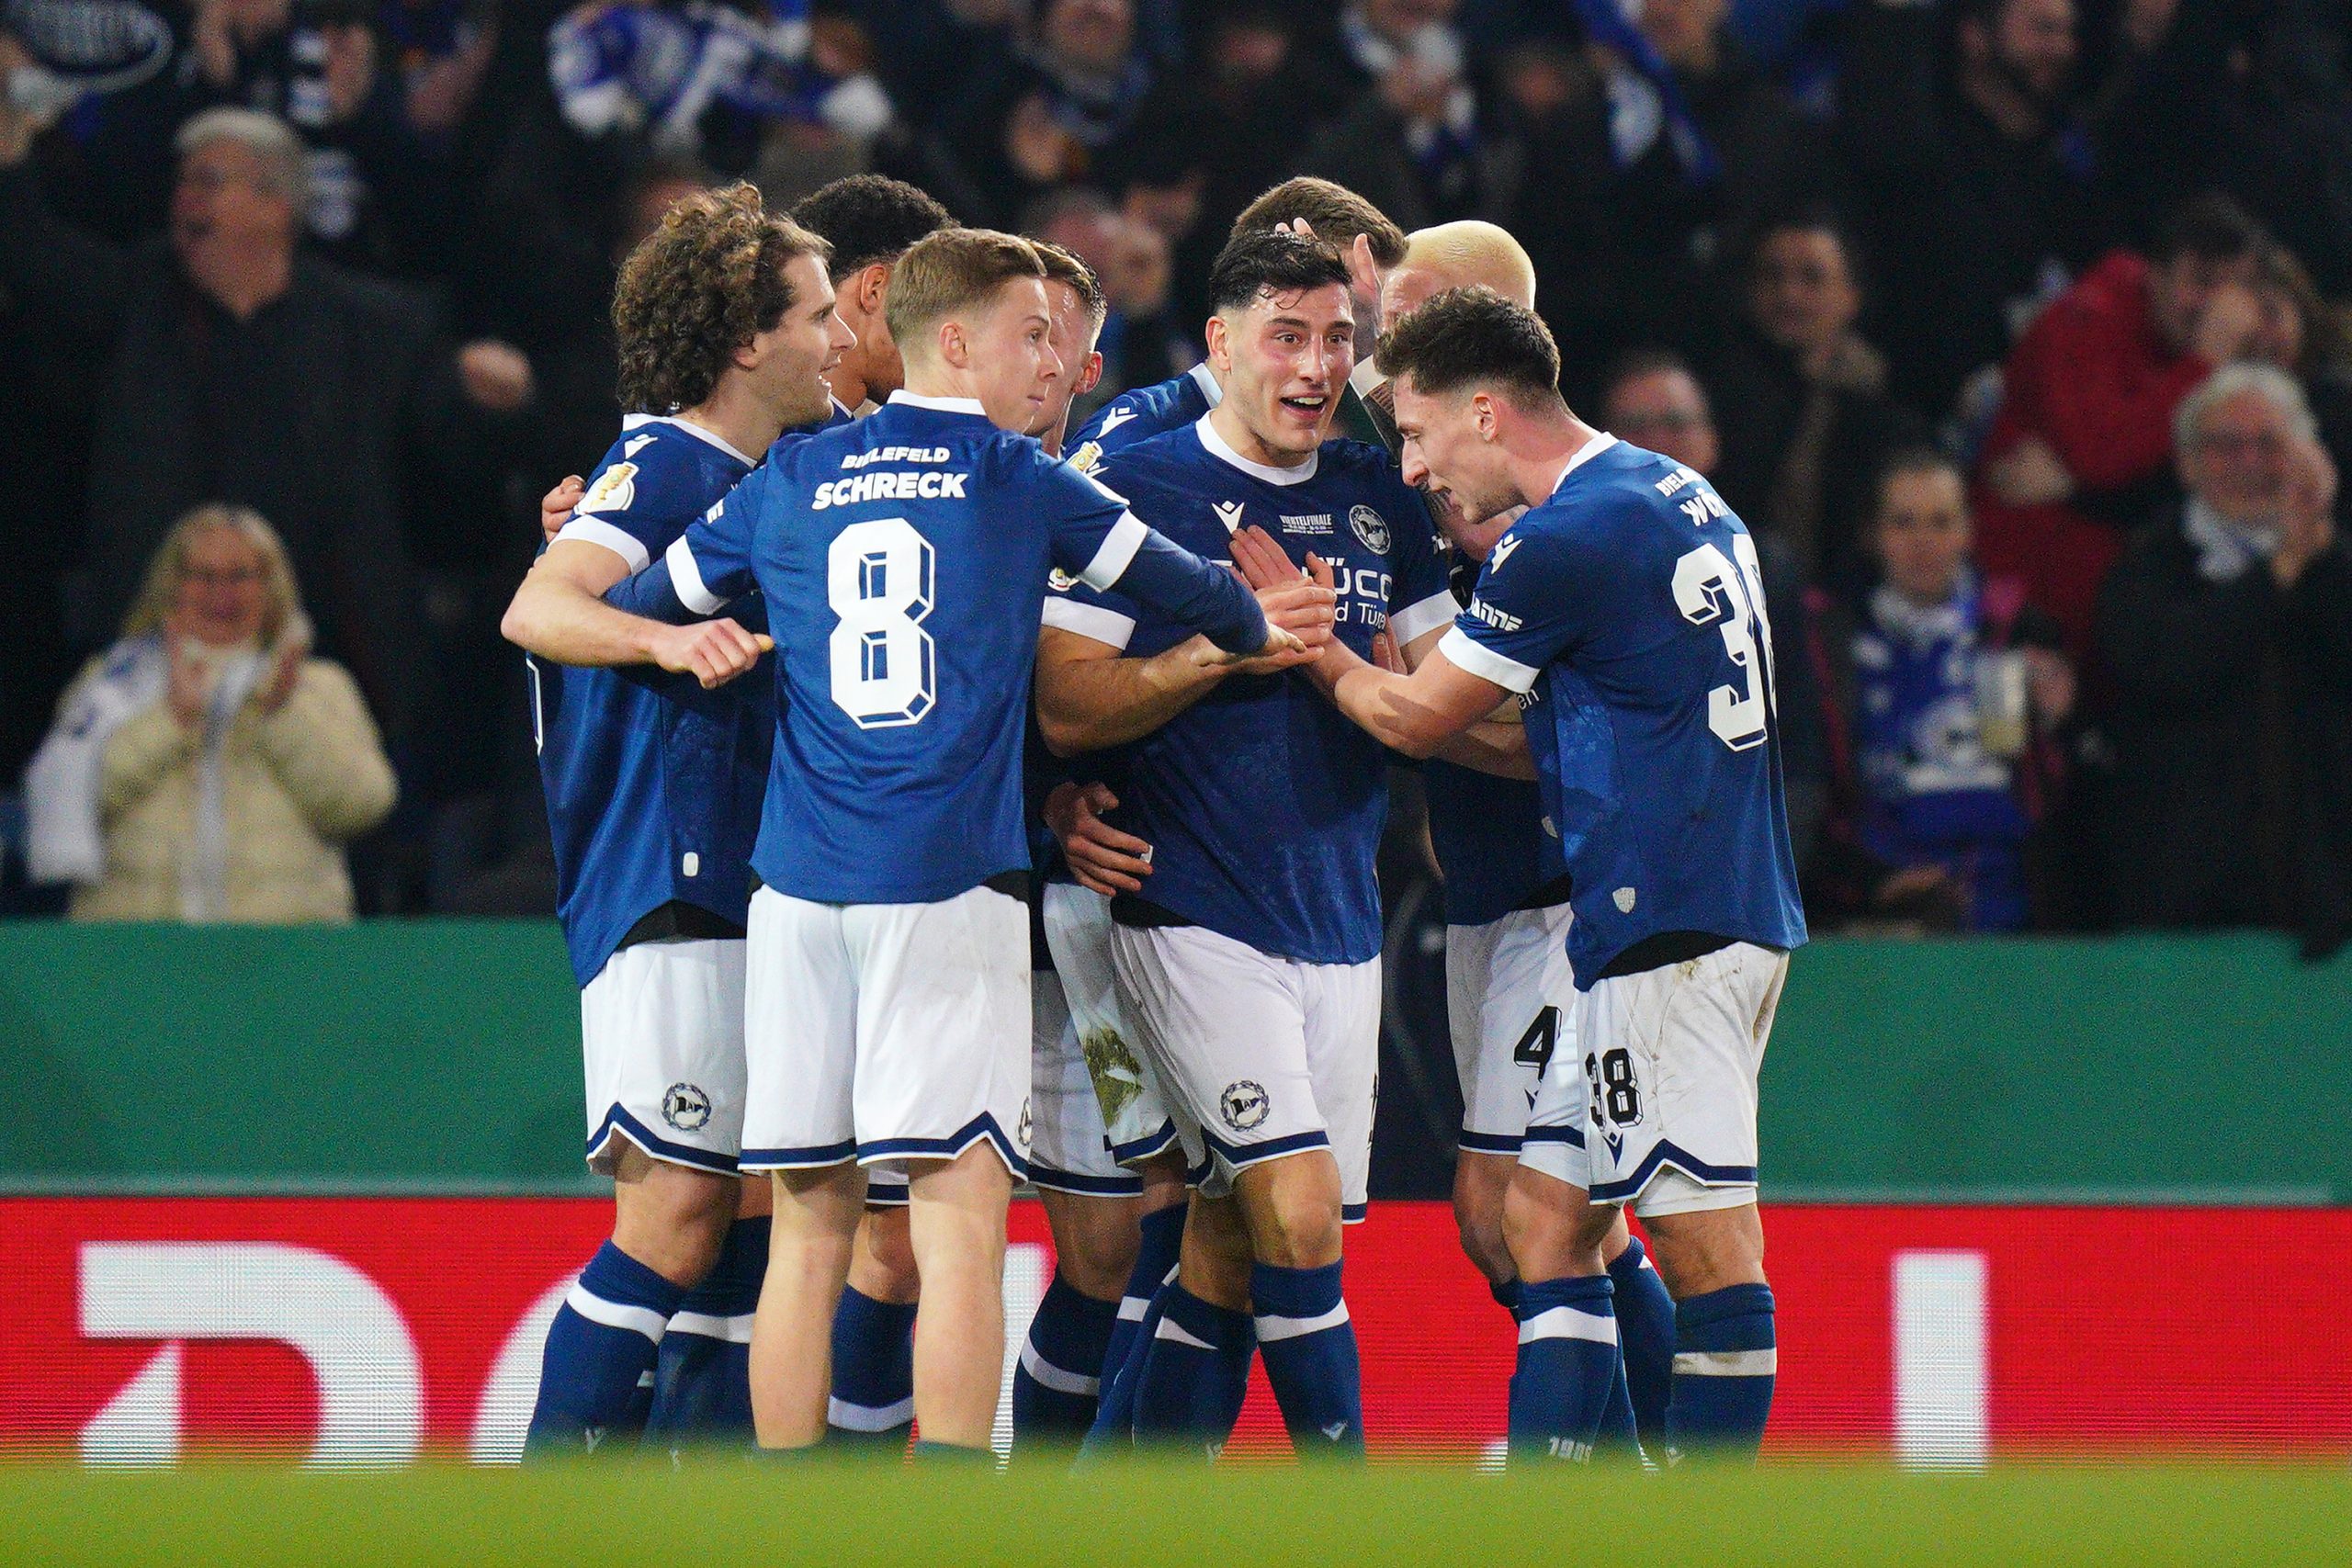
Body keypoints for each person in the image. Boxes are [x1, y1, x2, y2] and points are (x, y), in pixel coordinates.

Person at [593, 226, 1300, 1457]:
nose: (1058, 364)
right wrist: (1240, 624)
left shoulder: (790, 479)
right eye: (1033, 334)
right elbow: (1211, 597)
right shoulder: (1021, 478)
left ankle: (786, 1513)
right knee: (957, 1224)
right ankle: (957, 1520)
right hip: (949, 890)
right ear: (955, 341)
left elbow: (642, 606)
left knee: (808, 1232)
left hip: (799, 899)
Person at [1259, 286, 1805, 1463]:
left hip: (1670, 930)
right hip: (1702, 910)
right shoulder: (1671, 488)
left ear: (1486, 414)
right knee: (1543, 1224)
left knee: (1708, 1249)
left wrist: (1308, 645)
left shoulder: (1563, 539)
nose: (1406, 468)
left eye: (1413, 432)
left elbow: (1412, 715)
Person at [1041, 230, 1452, 1459]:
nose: (1319, 365)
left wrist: (1389, 682)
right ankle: (1346, 1507)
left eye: (1338, 338)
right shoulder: (1140, 486)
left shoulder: (1383, 495)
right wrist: (1229, 639)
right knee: (1282, 1207)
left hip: (1332, 920)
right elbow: (1063, 702)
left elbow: (1432, 693)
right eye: (1288, 334)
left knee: (1219, 1248)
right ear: (1220, 343)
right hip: (1170, 917)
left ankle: (1110, 1521)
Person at [497, 183, 854, 1458]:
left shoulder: (759, 471)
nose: (838, 340)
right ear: (749, 343)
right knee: (677, 1217)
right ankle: (543, 1514)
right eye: (818, 315)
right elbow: (542, 605)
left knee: (746, 1220)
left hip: (745, 876)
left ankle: (680, 1515)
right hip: (666, 870)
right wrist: (665, 634)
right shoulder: (663, 461)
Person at [0, 101, 532, 748]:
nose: (184, 198)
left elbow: (457, 459)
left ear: (276, 206)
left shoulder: (369, 326)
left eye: (208, 181)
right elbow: (34, 257)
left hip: (326, 655)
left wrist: (493, 401)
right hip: (162, 653)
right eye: (183, 181)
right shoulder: (137, 296)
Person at [24, 502, 395, 922]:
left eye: (241, 576)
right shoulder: (111, 681)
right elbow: (67, 802)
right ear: (171, 584)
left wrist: (279, 717)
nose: (222, 593)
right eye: (203, 576)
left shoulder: (319, 684)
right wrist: (171, 720)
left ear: (271, 586)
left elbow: (362, 806)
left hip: (283, 961)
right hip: (135, 958)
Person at [2090, 364, 2352, 956]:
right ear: (2184, 464)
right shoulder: (2142, 569)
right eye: (2225, 446)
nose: (2250, 462)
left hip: (2321, 905)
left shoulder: (2332, 563)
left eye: (2270, 444)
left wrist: (2318, 548)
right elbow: (2177, 670)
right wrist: (2278, 570)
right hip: (2182, 900)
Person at [1972, 193, 2268, 654]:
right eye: (2201, 282)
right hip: (2033, 610)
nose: (2214, 309)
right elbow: (2100, 454)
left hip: (2132, 606)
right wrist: (2203, 363)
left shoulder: (2234, 353)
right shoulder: (2084, 322)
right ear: (2156, 272)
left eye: (2230, 290)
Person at [1811, 449, 2073, 933]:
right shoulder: (1830, 645)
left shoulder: (2019, 630)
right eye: (1904, 523)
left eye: (1941, 522)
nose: (1924, 543)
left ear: (1969, 531)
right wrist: (1874, 882)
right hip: (1885, 913)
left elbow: (2057, 790)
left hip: (2020, 910)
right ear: (1873, 536)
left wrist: (2061, 721)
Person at [1834, 0, 2104, 418]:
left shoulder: (2064, 167)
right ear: (1975, 36)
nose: (2063, 48)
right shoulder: (1911, 146)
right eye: (2043, 30)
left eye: (2068, 33)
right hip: (1897, 405)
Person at [1705, 211, 1926, 601]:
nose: (1790, 295)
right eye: (1772, 276)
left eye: (1812, 278)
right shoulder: (1712, 399)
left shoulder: (1885, 414)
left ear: (1851, 296)